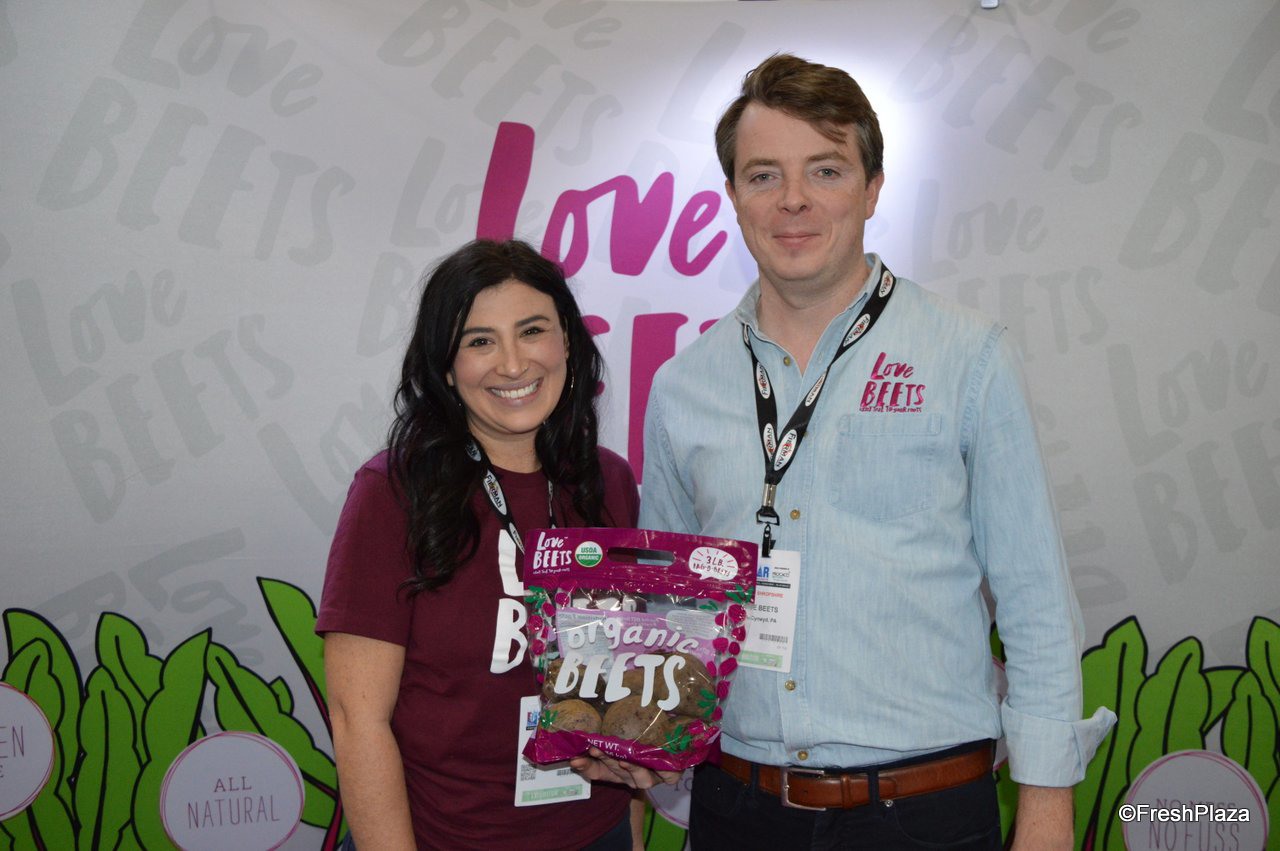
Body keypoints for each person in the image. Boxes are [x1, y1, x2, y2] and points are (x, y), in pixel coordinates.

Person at [639, 54, 1116, 850]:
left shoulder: (968, 357)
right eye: (763, 175)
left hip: (924, 812)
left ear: (872, 188)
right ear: (732, 196)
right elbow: (672, 612)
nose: (793, 199)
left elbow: (1035, 602)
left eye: (825, 169)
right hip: (738, 811)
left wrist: (1045, 810)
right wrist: (634, 739)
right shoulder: (682, 386)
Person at [317, 239, 655, 850]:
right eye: (479, 341)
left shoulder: (608, 480)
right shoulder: (393, 492)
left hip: (594, 830)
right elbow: (357, 718)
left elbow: (623, 677)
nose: (512, 364)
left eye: (532, 331)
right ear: (446, 367)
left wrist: (628, 834)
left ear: (567, 343)